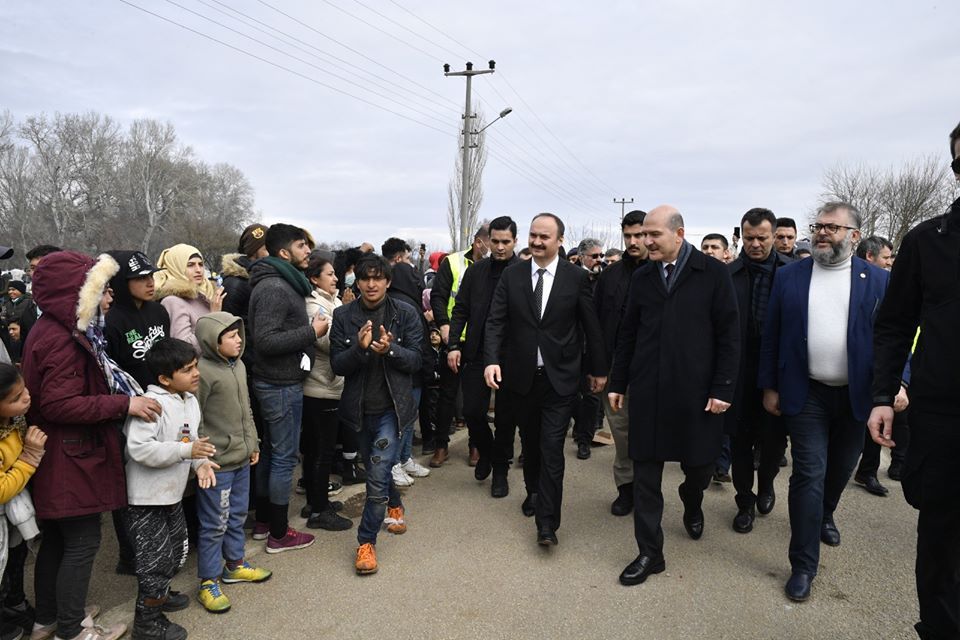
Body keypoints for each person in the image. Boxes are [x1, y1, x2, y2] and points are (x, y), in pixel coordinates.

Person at [759, 202, 889, 602]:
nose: (821, 233)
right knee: (807, 474)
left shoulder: (878, 281)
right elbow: (772, 333)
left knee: (839, 470)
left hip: (856, 394)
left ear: (854, 235)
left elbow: (894, 337)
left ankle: (825, 514)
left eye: (832, 227)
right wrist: (770, 385)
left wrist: (896, 384)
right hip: (807, 391)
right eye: (818, 226)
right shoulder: (790, 276)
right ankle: (803, 565)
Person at [25, 251, 158, 640]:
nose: (110, 296)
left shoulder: (59, 329)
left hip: (65, 454)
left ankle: (50, 617)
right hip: (71, 457)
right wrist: (124, 403)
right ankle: (72, 629)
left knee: (58, 540)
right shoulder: (63, 339)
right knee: (82, 543)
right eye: (100, 289)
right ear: (78, 294)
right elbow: (59, 404)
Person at [608, 205, 740, 586]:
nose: (644, 241)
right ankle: (650, 552)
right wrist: (618, 382)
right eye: (641, 235)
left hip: (697, 394)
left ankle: (692, 496)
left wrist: (723, 388)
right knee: (645, 476)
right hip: (648, 391)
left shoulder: (712, 273)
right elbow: (628, 333)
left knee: (699, 466)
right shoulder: (644, 277)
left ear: (678, 235)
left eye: (653, 235)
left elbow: (729, 335)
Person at [867, 121, 960, 640]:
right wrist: (883, 394)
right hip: (943, 417)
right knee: (941, 541)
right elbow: (896, 325)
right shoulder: (927, 241)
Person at [484, 213, 607, 547]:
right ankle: (534, 492)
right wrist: (491, 361)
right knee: (533, 445)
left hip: (561, 378)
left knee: (552, 448)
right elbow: (496, 321)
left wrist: (599, 370)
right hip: (522, 380)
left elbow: (590, 326)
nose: (537, 242)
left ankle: (547, 523)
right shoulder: (512, 276)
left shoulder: (576, 278)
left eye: (545, 237)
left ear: (560, 241)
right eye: (533, 235)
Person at [330, 254, 423, 575]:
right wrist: (359, 349)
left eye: (378, 278)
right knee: (376, 470)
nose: (371, 284)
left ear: (388, 281)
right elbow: (337, 365)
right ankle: (394, 504)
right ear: (357, 281)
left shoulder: (405, 313)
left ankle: (366, 543)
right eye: (365, 278)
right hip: (357, 410)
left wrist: (390, 351)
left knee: (378, 473)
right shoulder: (343, 315)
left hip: (392, 409)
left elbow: (417, 361)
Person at [123, 338, 218, 639]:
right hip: (145, 499)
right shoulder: (153, 406)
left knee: (176, 550)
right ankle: (147, 621)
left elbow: (189, 442)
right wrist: (186, 453)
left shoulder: (189, 400)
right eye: (187, 369)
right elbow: (140, 449)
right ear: (165, 379)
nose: (196, 373)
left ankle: (161, 593)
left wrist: (199, 464)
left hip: (171, 495)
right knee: (155, 560)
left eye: (195, 366)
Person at [247, 224, 323, 553]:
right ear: (283, 252)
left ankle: (265, 523)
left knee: (273, 456)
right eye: (301, 245)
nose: (308, 250)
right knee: (283, 459)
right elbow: (265, 340)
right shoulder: (275, 287)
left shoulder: (282, 281)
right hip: (278, 384)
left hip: (281, 381)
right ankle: (280, 533)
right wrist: (312, 332)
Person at [194, 313, 272, 614]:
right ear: (213, 342)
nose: (238, 340)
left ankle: (235, 564)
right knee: (215, 522)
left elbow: (246, 409)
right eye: (230, 336)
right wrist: (201, 457)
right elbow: (194, 418)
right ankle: (208, 580)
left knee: (237, 514)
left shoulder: (238, 365)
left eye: (239, 335)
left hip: (241, 457)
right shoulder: (201, 372)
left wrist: (252, 443)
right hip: (217, 464)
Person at [724, 208, 791, 535]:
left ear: (774, 236)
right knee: (739, 441)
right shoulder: (728, 275)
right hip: (739, 372)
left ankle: (766, 485)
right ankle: (744, 501)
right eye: (748, 238)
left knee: (774, 442)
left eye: (762, 238)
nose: (754, 244)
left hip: (778, 372)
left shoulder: (793, 273)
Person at [447, 216, 520, 495]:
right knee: (472, 411)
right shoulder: (476, 271)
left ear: (515, 241)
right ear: (487, 240)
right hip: (476, 352)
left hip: (510, 355)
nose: (499, 247)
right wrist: (454, 344)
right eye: (495, 241)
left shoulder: (521, 271)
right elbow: (461, 309)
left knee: (505, 418)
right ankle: (487, 452)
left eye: (506, 242)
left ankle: (500, 471)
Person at [594, 210, 647, 516]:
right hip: (616, 369)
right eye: (628, 236)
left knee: (649, 431)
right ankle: (626, 489)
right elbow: (597, 324)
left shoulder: (663, 272)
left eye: (639, 235)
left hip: (653, 368)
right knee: (622, 430)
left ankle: (647, 488)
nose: (633, 241)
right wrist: (597, 369)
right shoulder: (610, 276)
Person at [300, 257, 355, 530]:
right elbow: (327, 341)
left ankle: (316, 500)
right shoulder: (314, 305)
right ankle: (319, 511)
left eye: (336, 274)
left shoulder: (331, 301)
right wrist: (354, 336)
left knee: (318, 450)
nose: (335, 279)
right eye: (330, 274)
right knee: (320, 451)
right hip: (320, 388)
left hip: (329, 386)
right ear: (314, 278)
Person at [429, 223, 489, 465]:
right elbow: (438, 296)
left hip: (479, 342)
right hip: (453, 339)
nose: (493, 248)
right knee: (447, 394)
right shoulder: (452, 262)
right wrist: (444, 325)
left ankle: (476, 445)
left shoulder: (492, 268)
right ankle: (441, 445)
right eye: (490, 243)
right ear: (478, 243)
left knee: (476, 398)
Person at [851, 236, 902, 498]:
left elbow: (897, 332)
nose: (889, 262)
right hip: (846, 373)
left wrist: (901, 379)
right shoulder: (845, 282)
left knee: (876, 420)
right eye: (886, 258)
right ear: (870, 257)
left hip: (877, 370)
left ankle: (867, 471)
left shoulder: (889, 284)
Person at [380, 238, 431, 487]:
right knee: (401, 419)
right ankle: (394, 464)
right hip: (405, 369)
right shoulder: (399, 304)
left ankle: (405, 457)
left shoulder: (409, 302)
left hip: (415, 367)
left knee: (410, 417)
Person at [0, 363, 45, 640]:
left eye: (24, 389)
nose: (27, 397)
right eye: (15, 398)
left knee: (15, 556)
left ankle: (13, 603)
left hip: (13, 514)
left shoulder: (16, 422)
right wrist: (29, 457)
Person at [103, 251, 169, 393]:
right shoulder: (111, 321)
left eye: (151, 275)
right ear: (121, 281)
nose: (151, 282)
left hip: (165, 394)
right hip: (132, 399)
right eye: (141, 278)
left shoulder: (159, 311)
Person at [154, 244, 226, 355]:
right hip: (195, 369)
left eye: (201, 264)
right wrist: (213, 317)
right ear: (176, 267)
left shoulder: (204, 295)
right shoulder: (173, 301)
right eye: (190, 265)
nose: (198, 270)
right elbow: (185, 348)